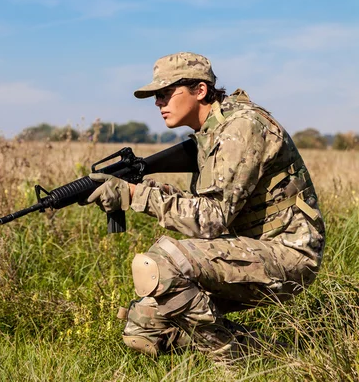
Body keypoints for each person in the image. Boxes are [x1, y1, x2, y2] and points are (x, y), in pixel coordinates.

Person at [86, 52, 325, 360]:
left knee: (163, 262)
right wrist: (144, 190)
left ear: (200, 91)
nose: (158, 102)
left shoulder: (241, 128)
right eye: (156, 96)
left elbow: (212, 220)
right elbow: (208, 207)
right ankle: (277, 356)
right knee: (143, 327)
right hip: (251, 248)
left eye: (166, 93)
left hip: (290, 255)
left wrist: (136, 196)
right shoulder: (209, 134)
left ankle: (230, 358)